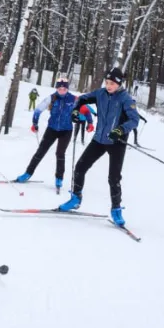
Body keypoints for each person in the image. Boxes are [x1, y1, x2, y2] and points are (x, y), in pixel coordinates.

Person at [58, 68, 140, 226]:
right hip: (99, 139)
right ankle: (75, 198)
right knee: (80, 167)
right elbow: (80, 100)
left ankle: (116, 210)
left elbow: (134, 120)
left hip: (116, 142)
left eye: (112, 83)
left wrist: (120, 130)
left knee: (114, 178)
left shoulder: (126, 99)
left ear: (119, 84)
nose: (108, 86)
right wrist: (75, 112)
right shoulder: (100, 94)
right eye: (107, 82)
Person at [15, 77, 77, 191]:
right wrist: (35, 123)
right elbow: (38, 109)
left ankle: (59, 179)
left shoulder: (73, 99)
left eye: (64, 89)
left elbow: (85, 110)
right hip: (52, 129)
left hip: (66, 130)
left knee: (60, 153)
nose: (62, 91)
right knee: (40, 151)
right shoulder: (51, 98)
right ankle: (27, 173)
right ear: (57, 88)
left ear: (67, 89)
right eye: (60, 89)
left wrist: (87, 121)